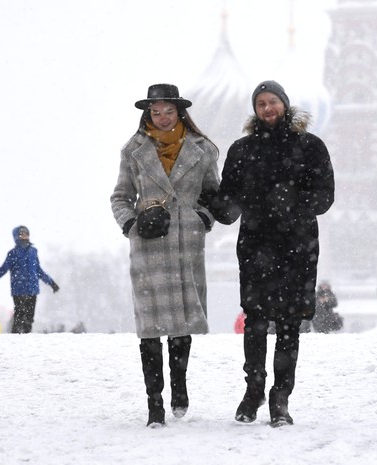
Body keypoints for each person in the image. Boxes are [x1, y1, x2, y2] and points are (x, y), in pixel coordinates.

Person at [202, 80, 335, 427]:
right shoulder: (242, 150)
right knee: (255, 322)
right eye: (260, 104)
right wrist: (210, 200)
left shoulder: (309, 147)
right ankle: (254, 390)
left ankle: (280, 397)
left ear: (284, 104)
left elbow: (325, 196)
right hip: (256, 247)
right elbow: (229, 205)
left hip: (297, 247)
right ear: (255, 110)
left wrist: (293, 200)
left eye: (272, 101)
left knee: (289, 324)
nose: (267, 109)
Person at [110, 83, 221, 427]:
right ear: (148, 113)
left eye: (168, 111)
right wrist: (132, 224)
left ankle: (179, 386)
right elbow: (120, 196)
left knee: (182, 322)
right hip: (149, 245)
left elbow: (213, 194)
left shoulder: (203, 149)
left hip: (186, 242)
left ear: (179, 112)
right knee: (150, 326)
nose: (162, 118)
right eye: (155, 112)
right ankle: (154, 402)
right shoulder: (133, 150)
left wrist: (203, 218)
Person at [0, 226, 60, 334]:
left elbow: (38, 270)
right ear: (16, 236)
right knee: (19, 316)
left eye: (26, 234)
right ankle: (15, 337)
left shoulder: (33, 251)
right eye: (22, 234)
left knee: (29, 317)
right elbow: (4, 269)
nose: (25, 236)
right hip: (18, 290)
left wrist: (51, 283)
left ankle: (27, 338)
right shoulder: (13, 253)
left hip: (32, 289)